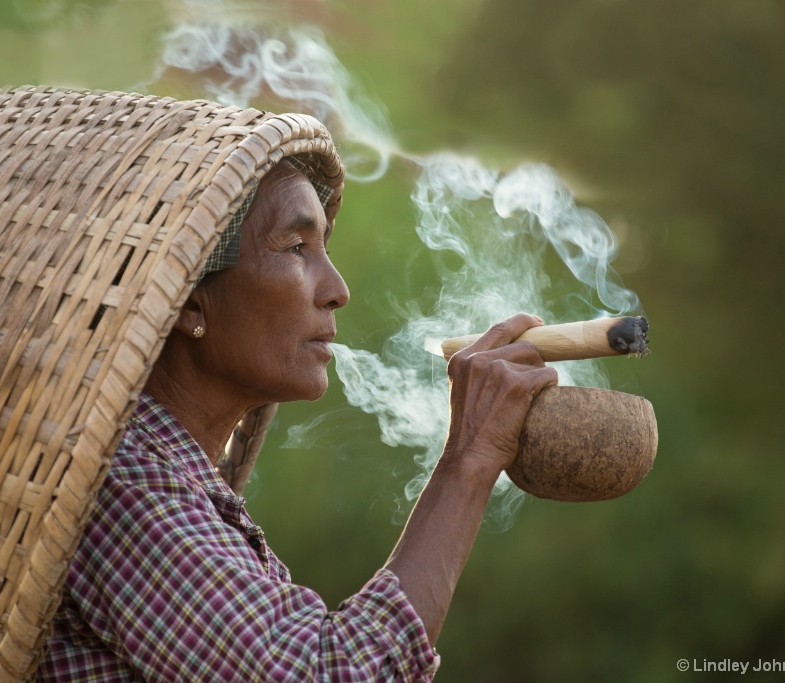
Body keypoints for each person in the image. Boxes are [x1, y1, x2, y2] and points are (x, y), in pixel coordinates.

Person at [37, 158, 558, 681]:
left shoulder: (172, 476)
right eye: (295, 248)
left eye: (323, 248)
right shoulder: (126, 483)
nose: (337, 289)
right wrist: (468, 461)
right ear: (189, 303)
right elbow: (331, 673)